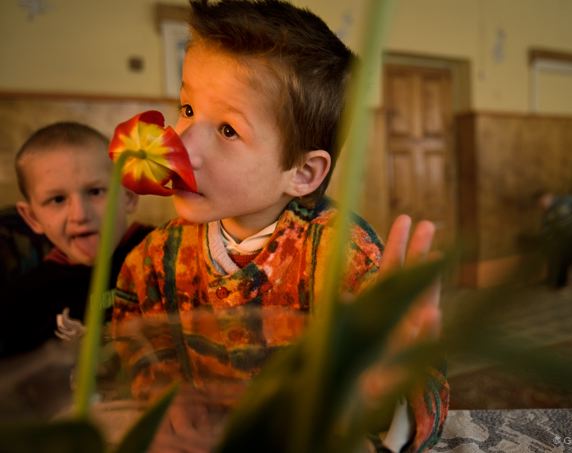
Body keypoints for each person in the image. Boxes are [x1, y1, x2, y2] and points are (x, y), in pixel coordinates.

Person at [111, 1, 448, 451]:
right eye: (188, 109)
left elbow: (421, 382)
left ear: (303, 173)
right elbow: (134, 340)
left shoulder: (343, 256)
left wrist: (392, 389)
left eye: (228, 130)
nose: (182, 146)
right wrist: (163, 393)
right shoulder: (153, 259)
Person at [0, 122, 153, 358]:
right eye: (58, 199)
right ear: (32, 218)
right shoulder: (24, 300)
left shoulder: (162, 252)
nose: (80, 215)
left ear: (129, 196)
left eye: (95, 192)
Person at [536, 190, 572, 289]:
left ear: (549, 196)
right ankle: (561, 281)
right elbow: (546, 228)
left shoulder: (567, 200)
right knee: (565, 260)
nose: (543, 204)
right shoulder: (547, 213)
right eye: (540, 203)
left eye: (543, 200)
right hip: (565, 238)